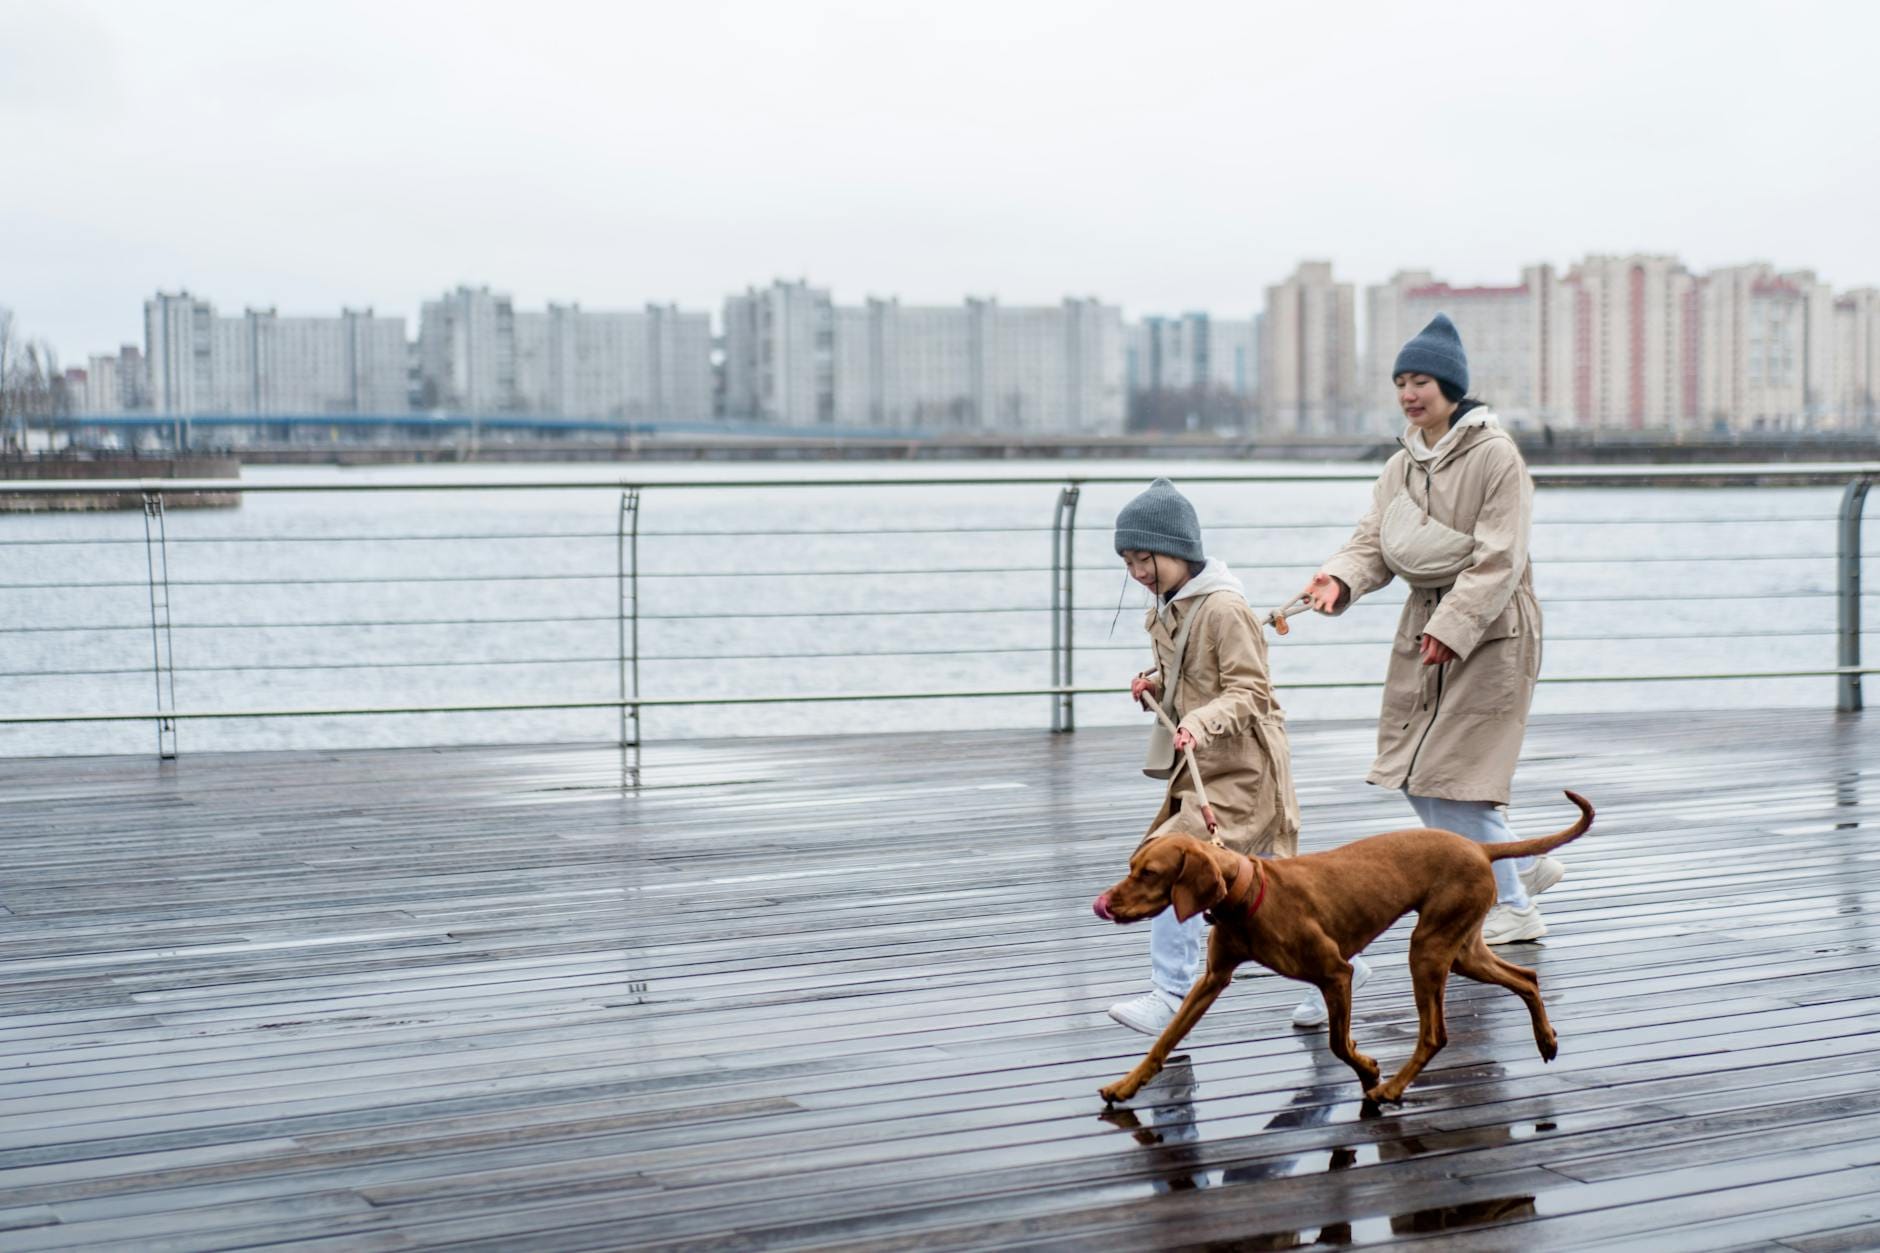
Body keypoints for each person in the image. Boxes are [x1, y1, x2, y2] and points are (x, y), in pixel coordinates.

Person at [1298, 313, 1560, 945]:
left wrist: (1455, 624)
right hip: (1425, 626)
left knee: (1454, 771)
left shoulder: (1496, 456)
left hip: (1492, 629)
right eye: (1400, 382)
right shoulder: (1401, 465)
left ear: (1451, 386)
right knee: (1415, 768)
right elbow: (1373, 541)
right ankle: (1521, 861)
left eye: (1420, 381)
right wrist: (1339, 579)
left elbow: (1501, 557)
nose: (1409, 393)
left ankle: (1516, 904)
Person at [1106, 478, 1362, 1035]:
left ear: (1178, 550)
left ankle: (1170, 993)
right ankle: (1344, 966)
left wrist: (1198, 718)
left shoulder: (1224, 610)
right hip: (1208, 765)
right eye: (1127, 562)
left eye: (1143, 558)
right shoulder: (1169, 607)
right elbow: (1197, 676)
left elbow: (1250, 691)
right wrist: (1155, 682)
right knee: (1279, 884)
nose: (1137, 573)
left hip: (1245, 768)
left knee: (1174, 860)